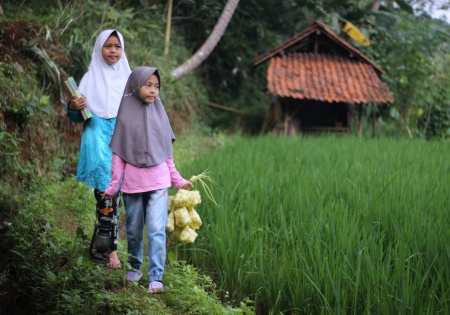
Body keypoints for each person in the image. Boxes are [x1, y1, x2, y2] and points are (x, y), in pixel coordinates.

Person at [103, 66, 192, 294]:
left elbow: (167, 155)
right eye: (148, 85)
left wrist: (178, 180)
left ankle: (156, 277)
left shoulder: (160, 115)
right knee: (133, 229)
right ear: (135, 86)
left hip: (158, 183)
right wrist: (113, 188)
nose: (153, 91)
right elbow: (119, 156)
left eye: (157, 87)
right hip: (132, 186)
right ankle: (135, 267)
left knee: (156, 230)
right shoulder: (125, 116)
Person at [66, 29, 132, 269]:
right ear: (99, 48)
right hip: (96, 140)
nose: (113, 50)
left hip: (121, 140)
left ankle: (105, 244)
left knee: (117, 196)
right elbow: (76, 116)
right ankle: (110, 251)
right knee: (106, 192)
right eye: (108, 46)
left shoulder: (129, 78)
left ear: (122, 50)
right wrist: (74, 106)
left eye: (117, 46)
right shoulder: (88, 78)